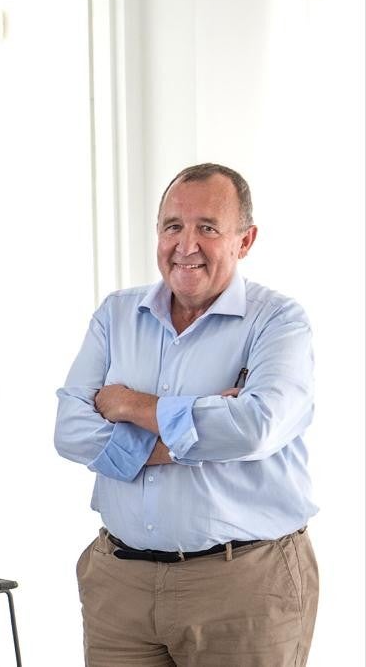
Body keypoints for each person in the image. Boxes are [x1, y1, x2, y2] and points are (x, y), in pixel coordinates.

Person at [54, 163, 319, 665]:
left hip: (243, 587)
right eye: (173, 226)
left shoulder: (279, 321)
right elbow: (70, 431)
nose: (186, 244)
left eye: (208, 228)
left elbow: (254, 426)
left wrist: (132, 405)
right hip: (120, 586)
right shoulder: (116, 313)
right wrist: (199, 429)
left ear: (245, 240)